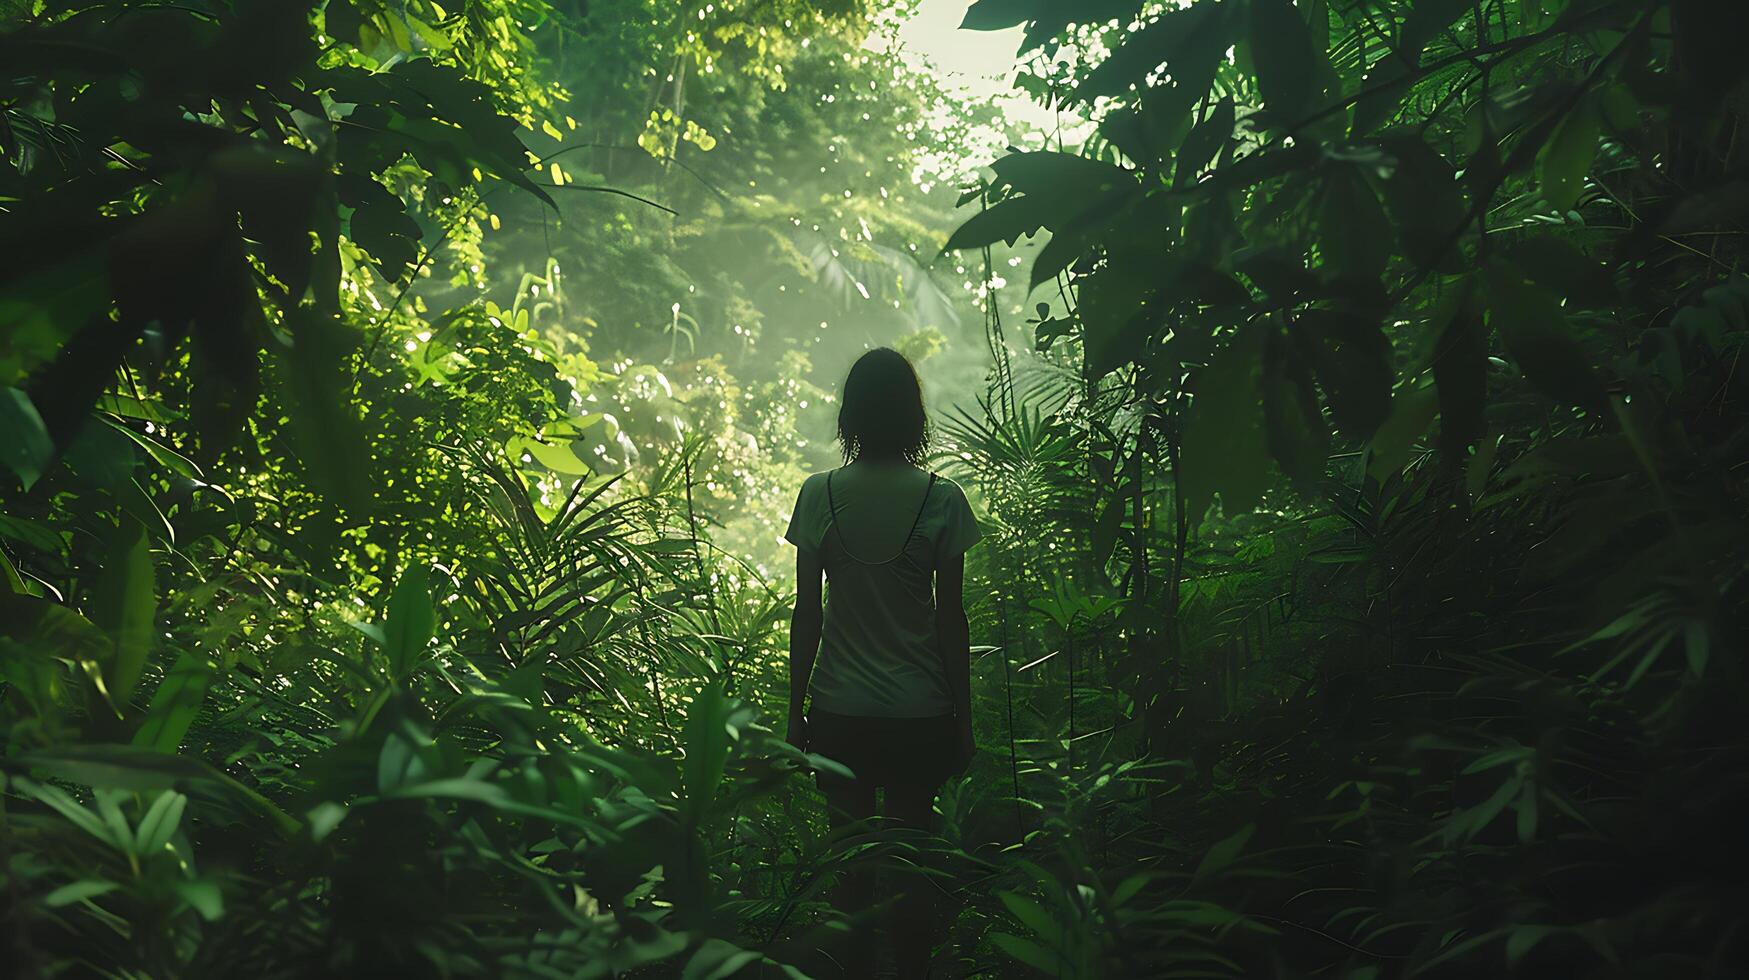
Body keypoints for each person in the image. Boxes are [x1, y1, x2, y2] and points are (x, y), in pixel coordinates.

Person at [783, 346, 981, 978]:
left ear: (851, 418)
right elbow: (952, 621)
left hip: (839, 714)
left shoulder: (819, 496)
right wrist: (964, 720)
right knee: (911, 867)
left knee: (848, 875)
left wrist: (795, 714)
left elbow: (806, 618)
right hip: (920, 714)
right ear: (913, 416)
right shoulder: (941, 500)